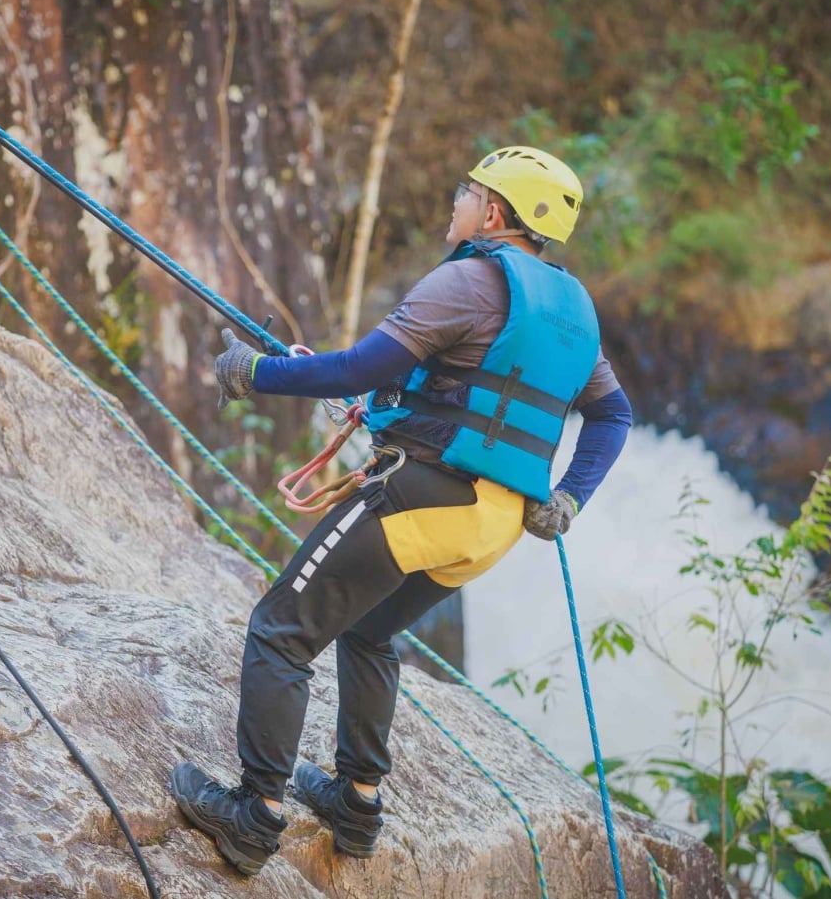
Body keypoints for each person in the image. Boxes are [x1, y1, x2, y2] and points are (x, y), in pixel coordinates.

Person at [169, 146, 632, 875]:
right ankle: (356, 801)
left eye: (468, 191)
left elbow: (360, 367)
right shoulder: (572, 313)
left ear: (497, 213)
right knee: (369, 629)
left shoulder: (469, 281)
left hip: (426, 495)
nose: (457, 200)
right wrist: (570, 495)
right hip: (492, 525)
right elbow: (614, 416)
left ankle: (253, 814)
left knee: (281, 629)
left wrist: (257, 372)